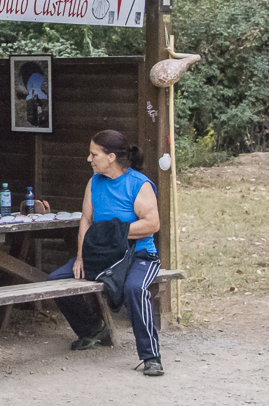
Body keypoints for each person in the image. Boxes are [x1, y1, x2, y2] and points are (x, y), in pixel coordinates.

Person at [48, 129, 164, 376]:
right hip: (101, 256)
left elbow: (152, 225)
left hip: (139, 255)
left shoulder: (138, 185)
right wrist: (80, 256)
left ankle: (151, 356)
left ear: (111, 157)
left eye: (94, 154)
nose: (89, 159)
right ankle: (92, 329)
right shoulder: (94, 182)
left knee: (135, 289)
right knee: (56, 280)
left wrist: (114, 232)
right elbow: (86, 221)